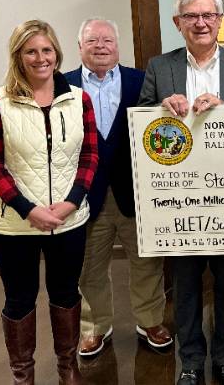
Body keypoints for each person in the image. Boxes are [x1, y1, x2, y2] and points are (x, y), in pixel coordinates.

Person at [138, 0, 224, 385]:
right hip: (180, 198)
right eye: (191, 17)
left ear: (219, 20)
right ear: (178, 24)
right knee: (187, 284)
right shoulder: (161, 67)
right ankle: (191, 361)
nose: (200, 23)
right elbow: (140, 117)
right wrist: (160, 109)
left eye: (208, 15)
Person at [0, 19, 98, 384]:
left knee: (65, 293)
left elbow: (90, 157)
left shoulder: (79, 98)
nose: (40, 57)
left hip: (69, 220)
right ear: (19, 55)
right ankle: (23, 375)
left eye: (46, 50)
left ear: (57, 53)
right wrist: (27, 209)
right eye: (31, 51)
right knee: (19, 300)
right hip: (14, 224)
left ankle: (67, 366)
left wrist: (70, 204)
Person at [63, 18, 171, 357]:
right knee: (89, 266)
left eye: (107, 40)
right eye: (92, 40)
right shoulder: (61, 86)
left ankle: (150, 321)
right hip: (83, 195)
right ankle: (94, 327)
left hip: (136, 192)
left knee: (146, 262)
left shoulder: (142, 81)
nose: (101, 46)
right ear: (79, 46)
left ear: (117, 45)